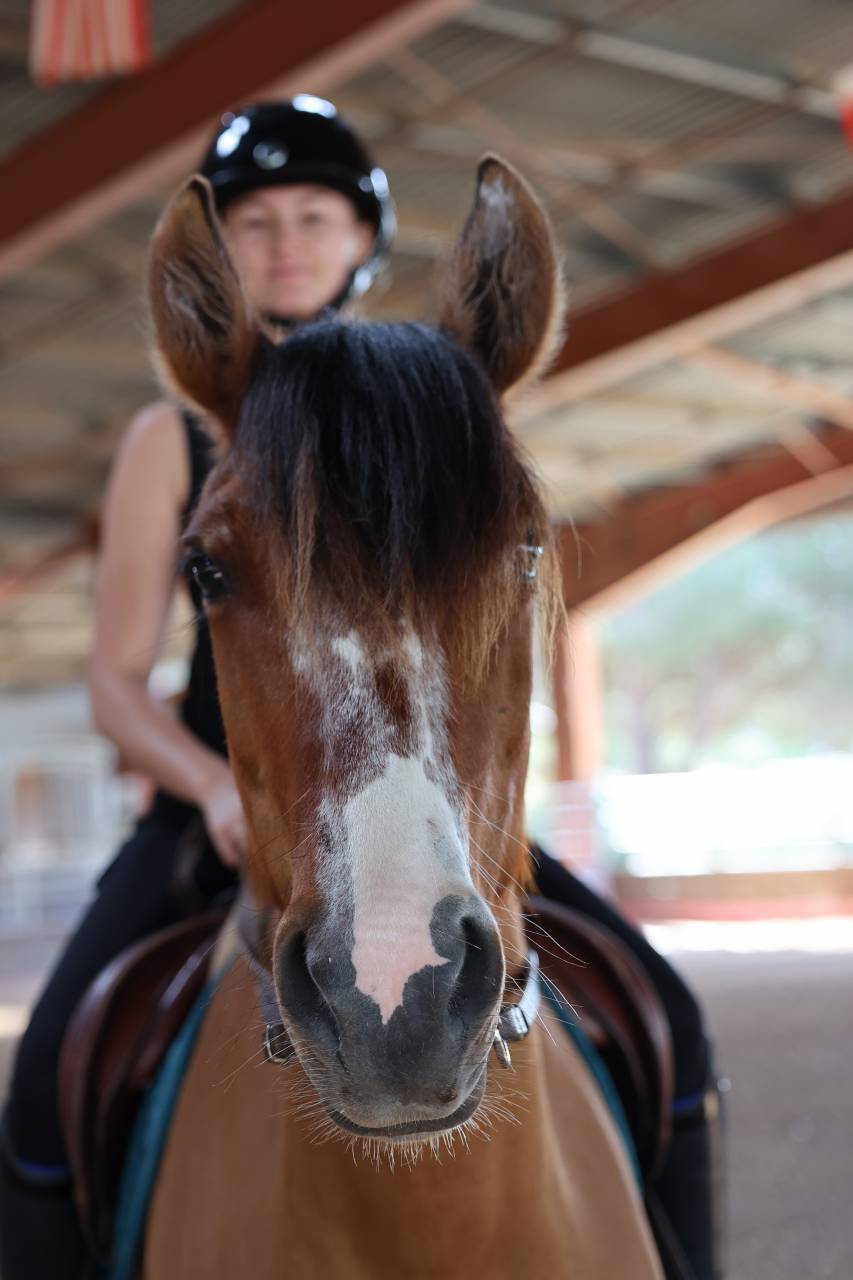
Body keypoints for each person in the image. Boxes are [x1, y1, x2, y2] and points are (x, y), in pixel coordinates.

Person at [0, 95, 395, 1280]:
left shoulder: (412, 409)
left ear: (361, 237)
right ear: (220, 248)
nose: (286, 242)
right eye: (256, 221)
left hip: (405, 799)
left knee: (658, 1011)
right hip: (211, 808)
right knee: (44, 1072)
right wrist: (216, 786)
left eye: (313, 216)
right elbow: (116, 683)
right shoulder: (168, 438)